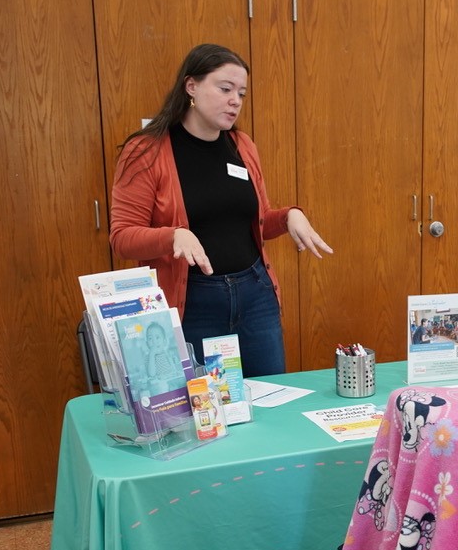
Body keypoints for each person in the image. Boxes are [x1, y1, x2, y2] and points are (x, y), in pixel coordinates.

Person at [109, 44, 332, 376]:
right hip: (194, 301)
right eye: (225, 88)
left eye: (241, 93)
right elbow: (122, 237)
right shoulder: (146, 151)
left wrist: (288, 217)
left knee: (272, 400)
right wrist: (174, 236)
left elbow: (256, 222)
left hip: (255, 295)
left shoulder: (242, 146)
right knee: (209, 415)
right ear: (191, 87)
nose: (235, 101)